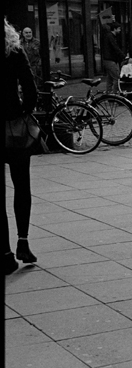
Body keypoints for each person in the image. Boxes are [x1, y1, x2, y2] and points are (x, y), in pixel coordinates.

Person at [4, 18, 39, 275]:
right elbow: (31, 90)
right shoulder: (14, 50)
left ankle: (5, 254)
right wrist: (23, 112)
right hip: (14, 125)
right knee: (21, 185)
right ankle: (23, 242)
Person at [101, 22, 125, 94]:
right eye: (119, 29)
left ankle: (108, 94)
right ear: (114, 29)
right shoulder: (111, 37)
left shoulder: (109, 36)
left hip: (108, 60)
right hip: (110, 60)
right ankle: (115, 95)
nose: (120, 30)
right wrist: (123, 56)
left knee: (110, 78)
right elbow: (115, 47)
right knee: (116, 77)